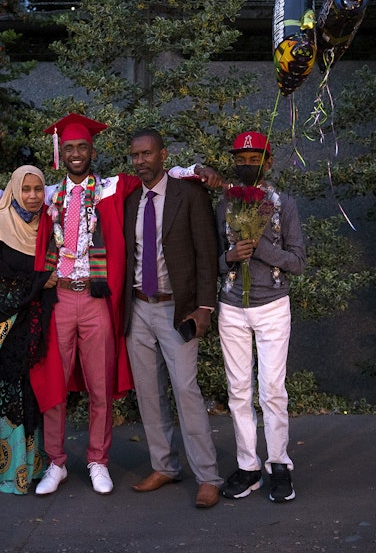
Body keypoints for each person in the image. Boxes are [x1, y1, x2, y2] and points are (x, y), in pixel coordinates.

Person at [0, 115, 221, 496]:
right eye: (70, 148)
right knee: (55, 384)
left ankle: (98, 460)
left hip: (97, 301)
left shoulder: (112, 187)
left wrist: (195, 170)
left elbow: (160, 175)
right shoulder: (48, 193)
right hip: (58, 300)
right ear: (62, 153)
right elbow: (8, 211)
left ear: (93, 151)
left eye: (82, 148)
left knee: (99, 385)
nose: (76, 154)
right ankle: (56, 462)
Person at [122, 129, 223, 509]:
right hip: (138, 307)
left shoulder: (190, 195)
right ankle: (164, 465)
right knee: (148, 392)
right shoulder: (130, 199)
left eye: (147, 154)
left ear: (163, 155)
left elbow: (206, 253)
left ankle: (208, 476)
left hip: (176, 308)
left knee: (185, 389)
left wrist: (205, 308)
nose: (140, 161)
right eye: (135, 155)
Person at [215, 131, 306, 503]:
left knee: (272, 390)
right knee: (238, 390)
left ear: (268, 162)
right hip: (232, 307)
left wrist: (263, 250)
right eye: (242, 158)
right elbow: (214, 262)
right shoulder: (224, 205)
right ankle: (247, 465)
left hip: (272, 307)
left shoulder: (284, 204)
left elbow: (298, 261)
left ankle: (279, 463)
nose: (248, 165)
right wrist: (231, 257)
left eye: (255, 160)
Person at [0, 165, 57, 495]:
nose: (32, 196)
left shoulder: (45, 226)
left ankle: (26, 468)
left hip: (28, 327)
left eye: (38, 189)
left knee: (25, 393)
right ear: (14, 190)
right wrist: (39, 282)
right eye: (26, 189)